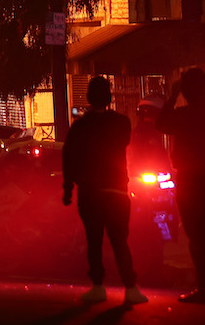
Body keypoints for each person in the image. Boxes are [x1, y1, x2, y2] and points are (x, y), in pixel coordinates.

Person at [61, 76, 148, 305]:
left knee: (94, 240)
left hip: (90, 193)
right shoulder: (121, 123)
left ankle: (98, 286)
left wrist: (68, 190)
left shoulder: (79, 127)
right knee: (120, 241)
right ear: (109, 97)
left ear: (89, 98)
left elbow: (69, 159)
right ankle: (130, 287)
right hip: (117, 190)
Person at [156, 67, 205, 305]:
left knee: (198, 235)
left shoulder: (186, 115)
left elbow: (162, 124)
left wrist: (172, 96)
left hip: (191, 180)